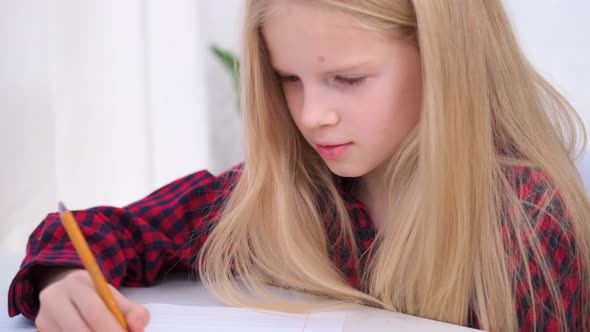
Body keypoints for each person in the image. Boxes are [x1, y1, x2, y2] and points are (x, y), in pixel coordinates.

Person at [7, 0, 590, 331]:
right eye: (289, 80)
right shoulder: (289, 191)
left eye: (348, 79)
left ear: (446, 63)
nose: (312, 116)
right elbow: (95, 231)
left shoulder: (528, 218)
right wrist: (65, 281)